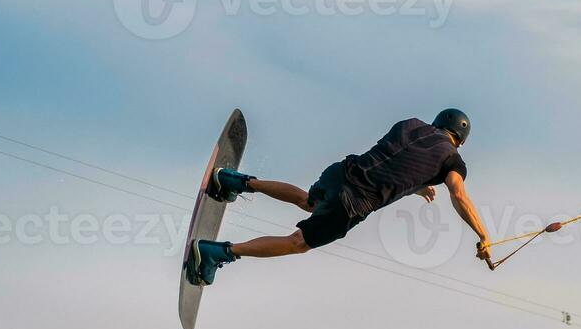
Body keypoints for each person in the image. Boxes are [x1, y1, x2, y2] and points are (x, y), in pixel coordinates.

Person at [186, 109, 493, 285]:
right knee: (298, 243)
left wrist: (419, 185)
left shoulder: (411, 124)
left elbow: (399, 163)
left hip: (342, 172)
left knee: (309, 200)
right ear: (460, 142)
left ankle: (233, 181)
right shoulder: (452, 159)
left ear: (438, 122)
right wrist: (482, 234)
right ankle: (218, 251)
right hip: (353, 203)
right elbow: (458, 193)